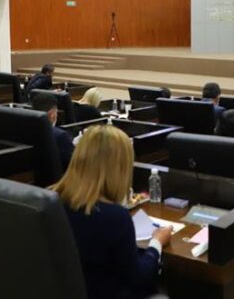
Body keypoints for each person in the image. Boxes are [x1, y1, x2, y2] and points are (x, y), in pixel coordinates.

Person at [50, 124, 171, 299]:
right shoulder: (114, 217)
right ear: (119, 168)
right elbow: (138, 278)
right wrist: (156, 243)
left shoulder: (51, 201)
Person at [32, 92, 75, 171]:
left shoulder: (26, 131)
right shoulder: (60, 136)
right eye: (56, 112)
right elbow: (74, 165)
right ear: (52, 114)